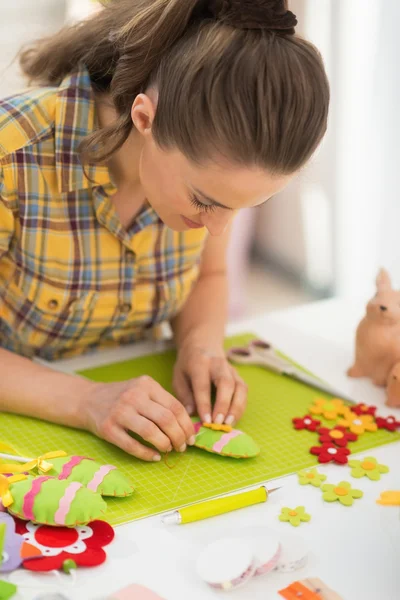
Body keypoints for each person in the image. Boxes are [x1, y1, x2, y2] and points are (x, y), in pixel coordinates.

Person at [0, 0, 330, 461]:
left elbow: (208, 276)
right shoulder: (11, 154)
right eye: (205, 202)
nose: (218, 230)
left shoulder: (210, 177)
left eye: (243, 207)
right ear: (144, 118)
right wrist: (87, 400)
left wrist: (200, 346)